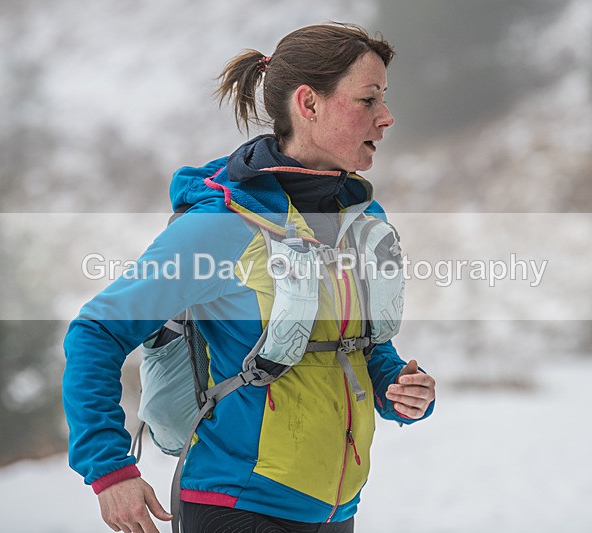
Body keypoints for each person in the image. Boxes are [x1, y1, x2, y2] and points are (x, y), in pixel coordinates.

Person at [63, 22, 436, 533]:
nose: (386, 117)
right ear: (309, 104)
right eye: (368, 100)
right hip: (235, 509)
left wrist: (396, 384)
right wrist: (109, 469)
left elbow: (355, 343)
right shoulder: (221, 227)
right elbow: (96, 331)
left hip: (333, 514)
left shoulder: (363, 220)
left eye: (384, 99)